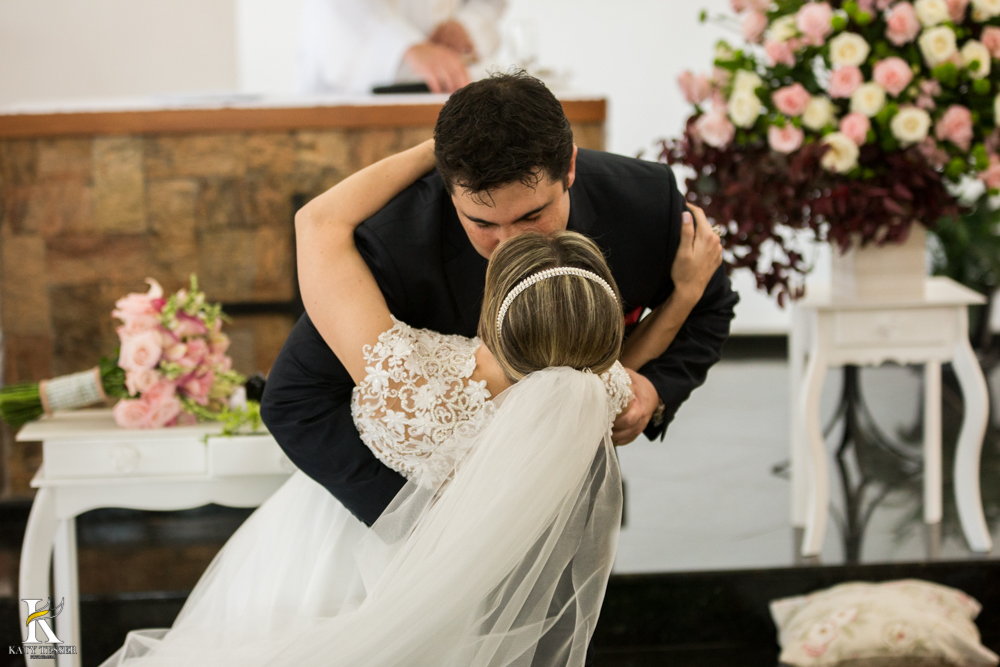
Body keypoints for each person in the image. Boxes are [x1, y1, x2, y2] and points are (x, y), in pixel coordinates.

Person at [97, 139, 721, 666]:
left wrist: (439, 148)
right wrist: (684, 297)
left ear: (492, 307)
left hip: (341, 544)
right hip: (489, 555)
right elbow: (621, 373)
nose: (502, 240)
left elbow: (318, 223)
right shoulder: (587, 392)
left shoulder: (410, 369)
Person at [262, 70, 738, 530]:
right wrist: (416, 527)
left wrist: (654, 390)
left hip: (562, 510)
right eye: (482, 224)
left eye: (532, 215)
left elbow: (710, 308)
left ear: (570, 167)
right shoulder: (394, 246)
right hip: (397, 513)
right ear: (450, 189)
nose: (509, 244)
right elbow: (295, 400)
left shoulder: (646, 202)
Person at [297, 0, 505, 94]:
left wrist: (467, 23)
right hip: (348, 102)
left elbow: (490, 4)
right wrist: (407, 46)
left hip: (442, 92)